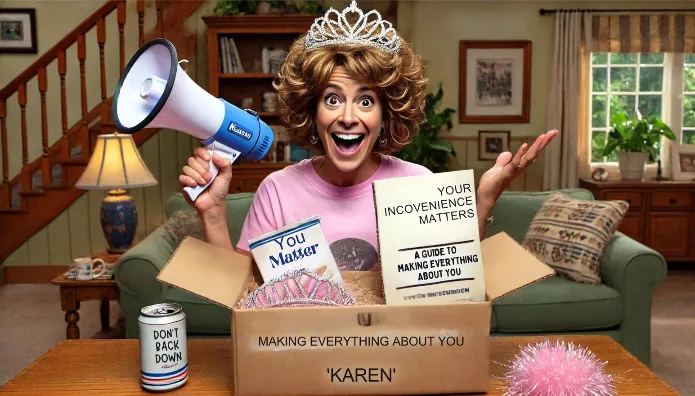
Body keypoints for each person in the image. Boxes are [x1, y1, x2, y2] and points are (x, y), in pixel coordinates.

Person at [178, 1, 558, 272]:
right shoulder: (278, 190)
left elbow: (454, 285)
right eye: (332, 99)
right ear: (311, 109)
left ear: (385, 113)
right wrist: (212, 214)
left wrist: (483, 204)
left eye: (365, 101)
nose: (347, 117)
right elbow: (240, 296)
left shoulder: (419, 185)